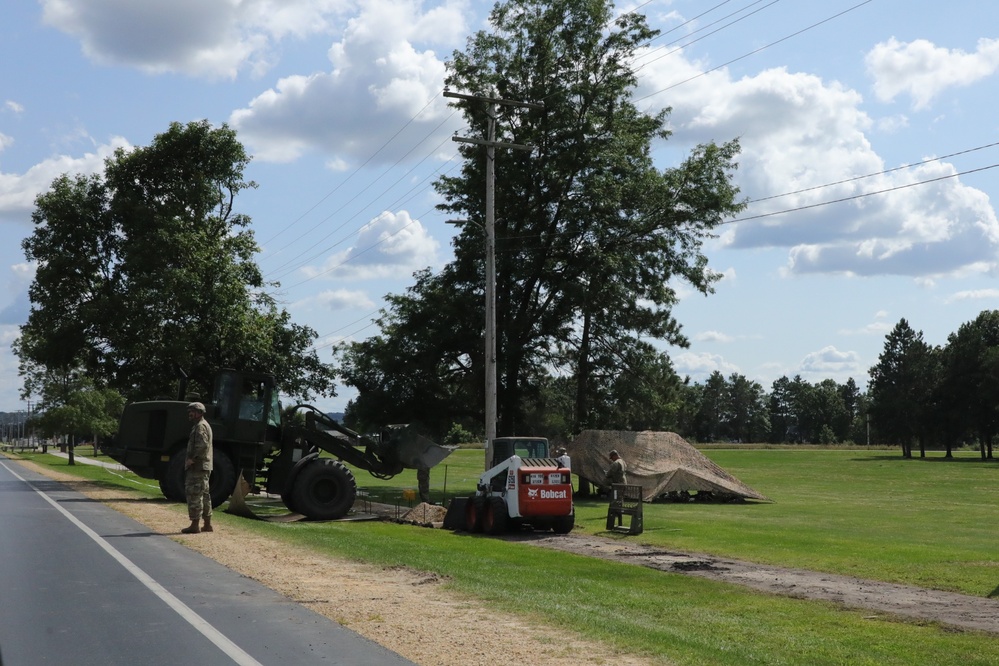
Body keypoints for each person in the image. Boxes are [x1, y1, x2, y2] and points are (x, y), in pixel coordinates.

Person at [182, 402, 214, 534]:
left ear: (200, 412)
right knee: (204, 495)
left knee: (194, 493)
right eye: (190, 411)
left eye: (193, 411)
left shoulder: (200, 426)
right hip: (204, 466)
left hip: (198, 466)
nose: (190, 413)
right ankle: (207, 524)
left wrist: (192, 459)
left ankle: (195, 524)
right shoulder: (202, 425)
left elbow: (202, 446)